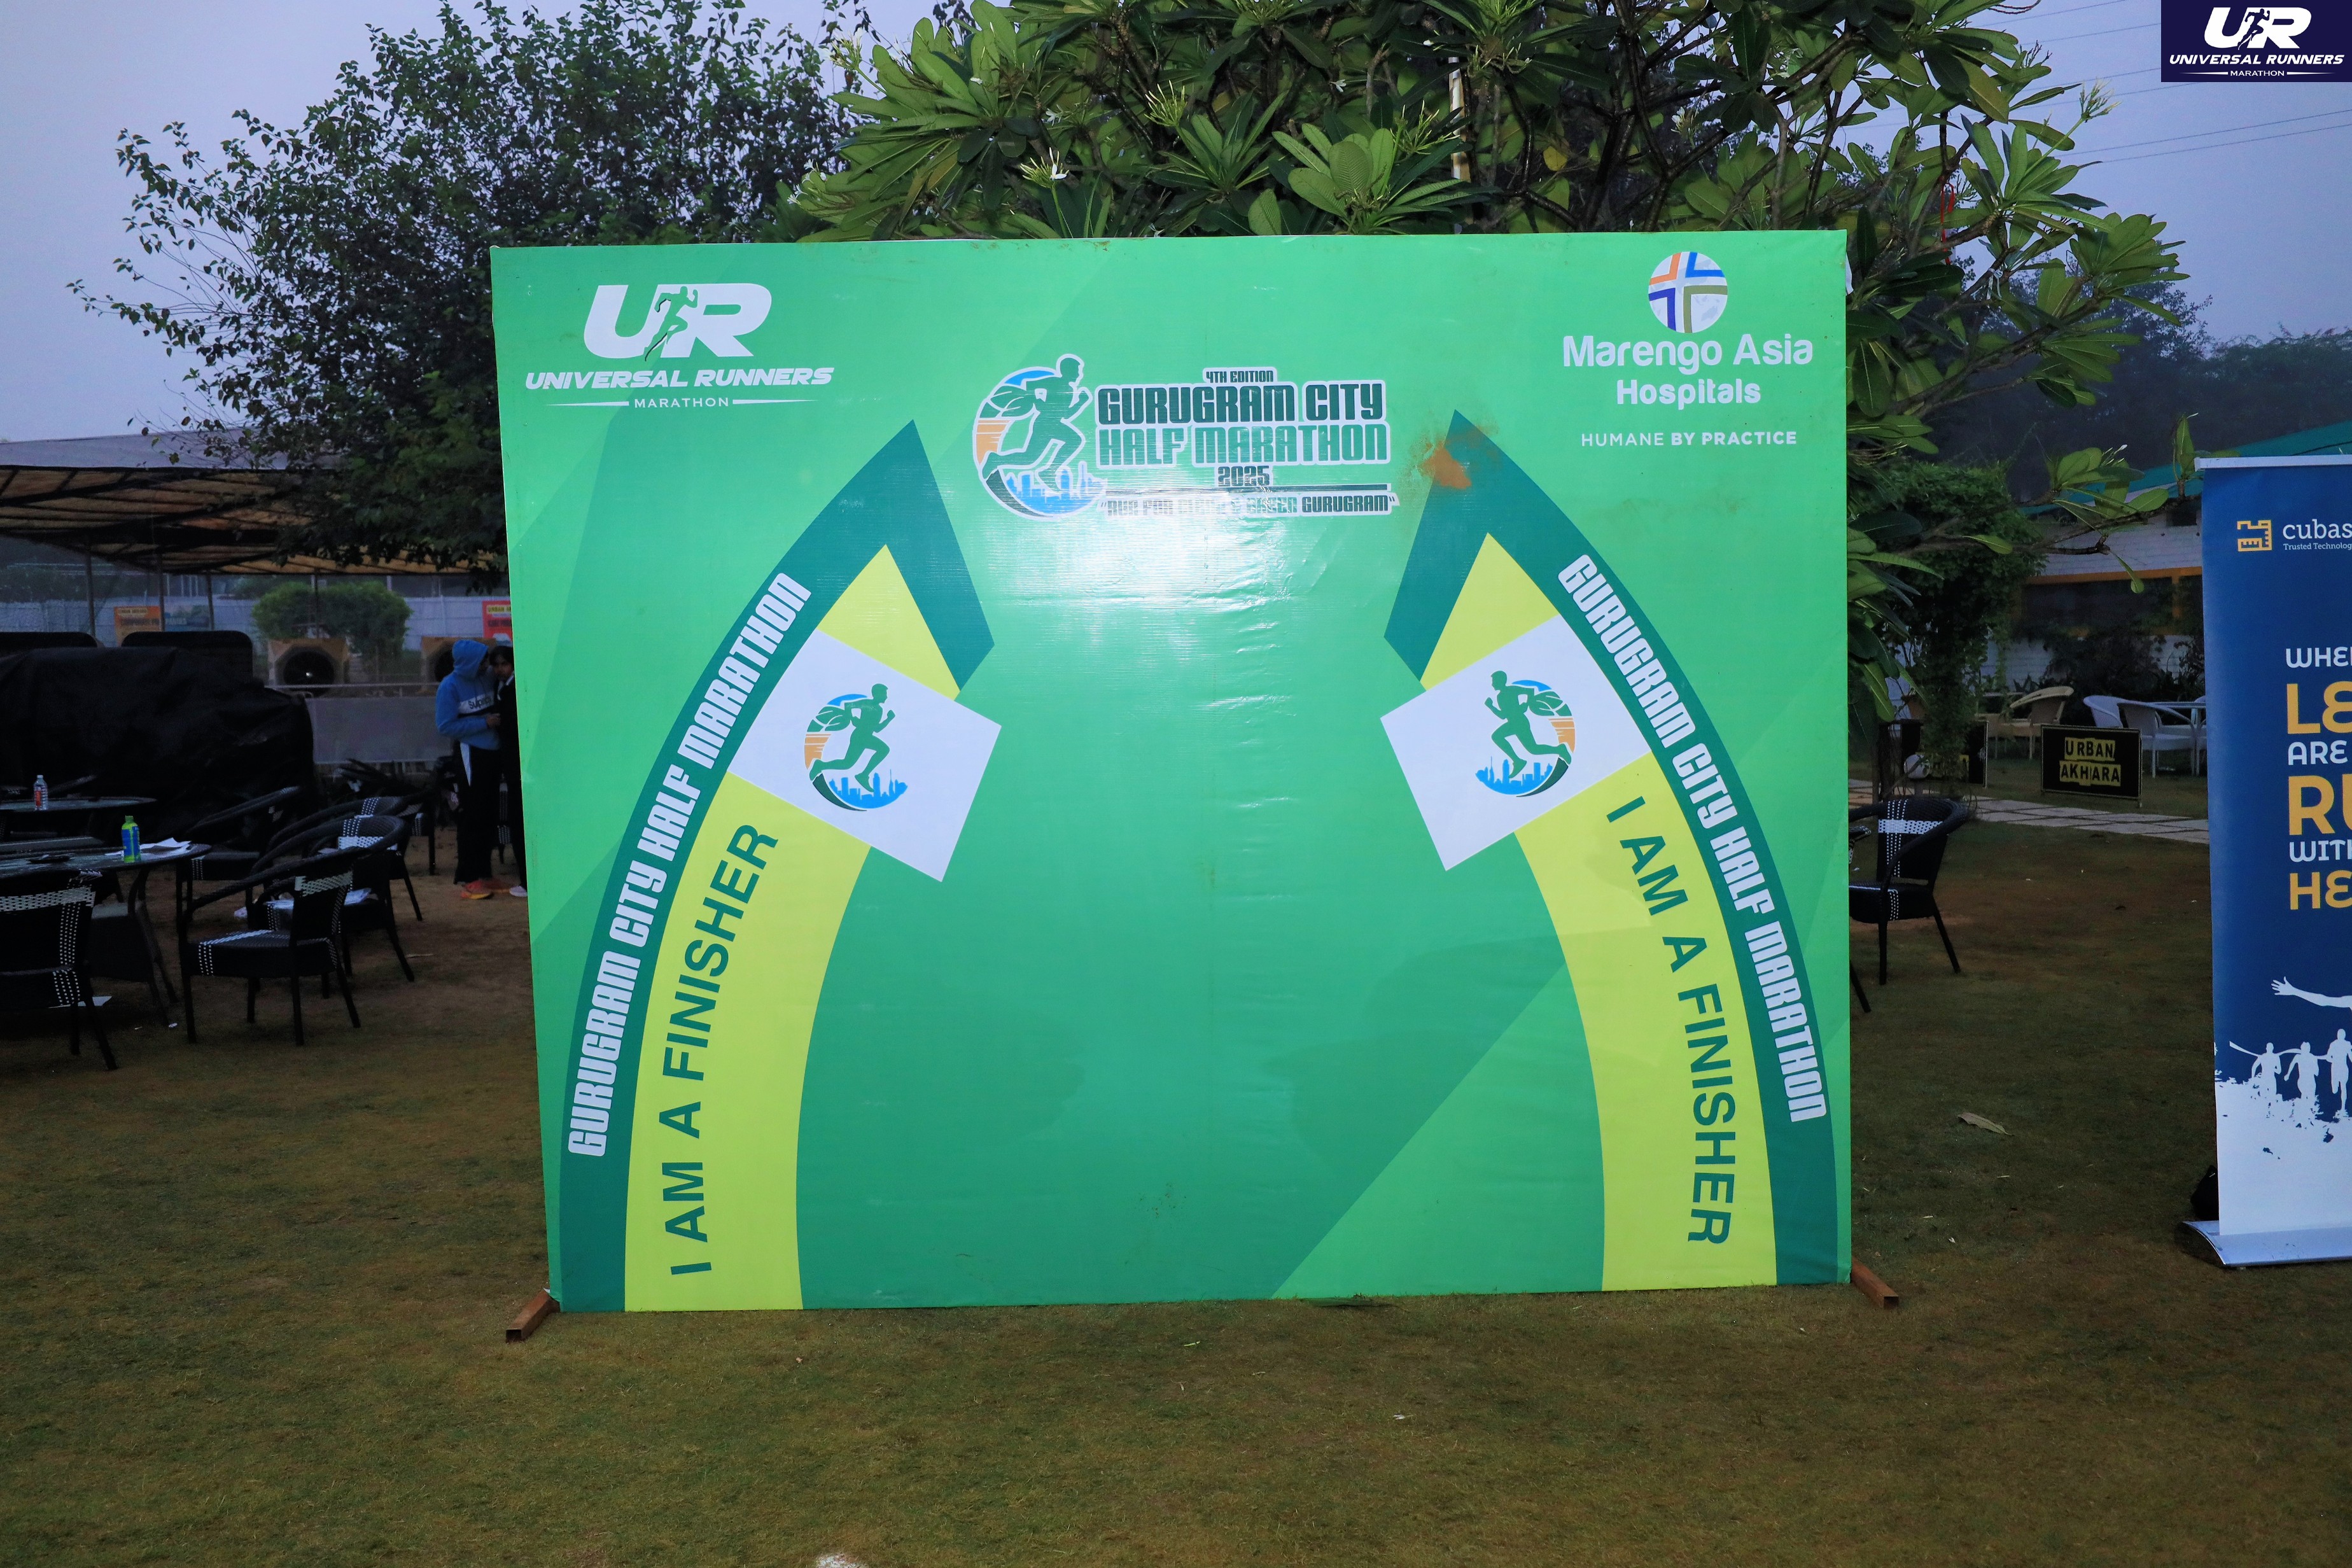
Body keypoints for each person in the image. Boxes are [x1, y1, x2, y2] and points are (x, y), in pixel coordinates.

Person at [435, 638, 513, 899]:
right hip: (471, 755)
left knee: (490, 814)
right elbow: (445, 726)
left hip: (493, 753)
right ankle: (469, 878)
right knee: (473, 815)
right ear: (468, 663)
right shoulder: (449, 687)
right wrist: (483, 723)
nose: (487, 665)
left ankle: (485, 873)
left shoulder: (488, 676)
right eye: (482, 661)